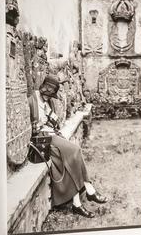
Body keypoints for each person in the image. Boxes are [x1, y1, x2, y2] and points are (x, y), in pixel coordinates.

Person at [28, 76, 107, 218]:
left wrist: (51, 120)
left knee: (71, 158)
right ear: (42, 90)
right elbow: (31, 128)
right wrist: (39, 125)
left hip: (52, 135)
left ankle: (78, 203)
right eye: (48, 95)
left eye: (51, 96)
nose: (49, 98)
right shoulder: (32, 100)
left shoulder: (48, 102)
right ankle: (89, 189)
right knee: (74, 151)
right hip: (42, 140)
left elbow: (54, 122)